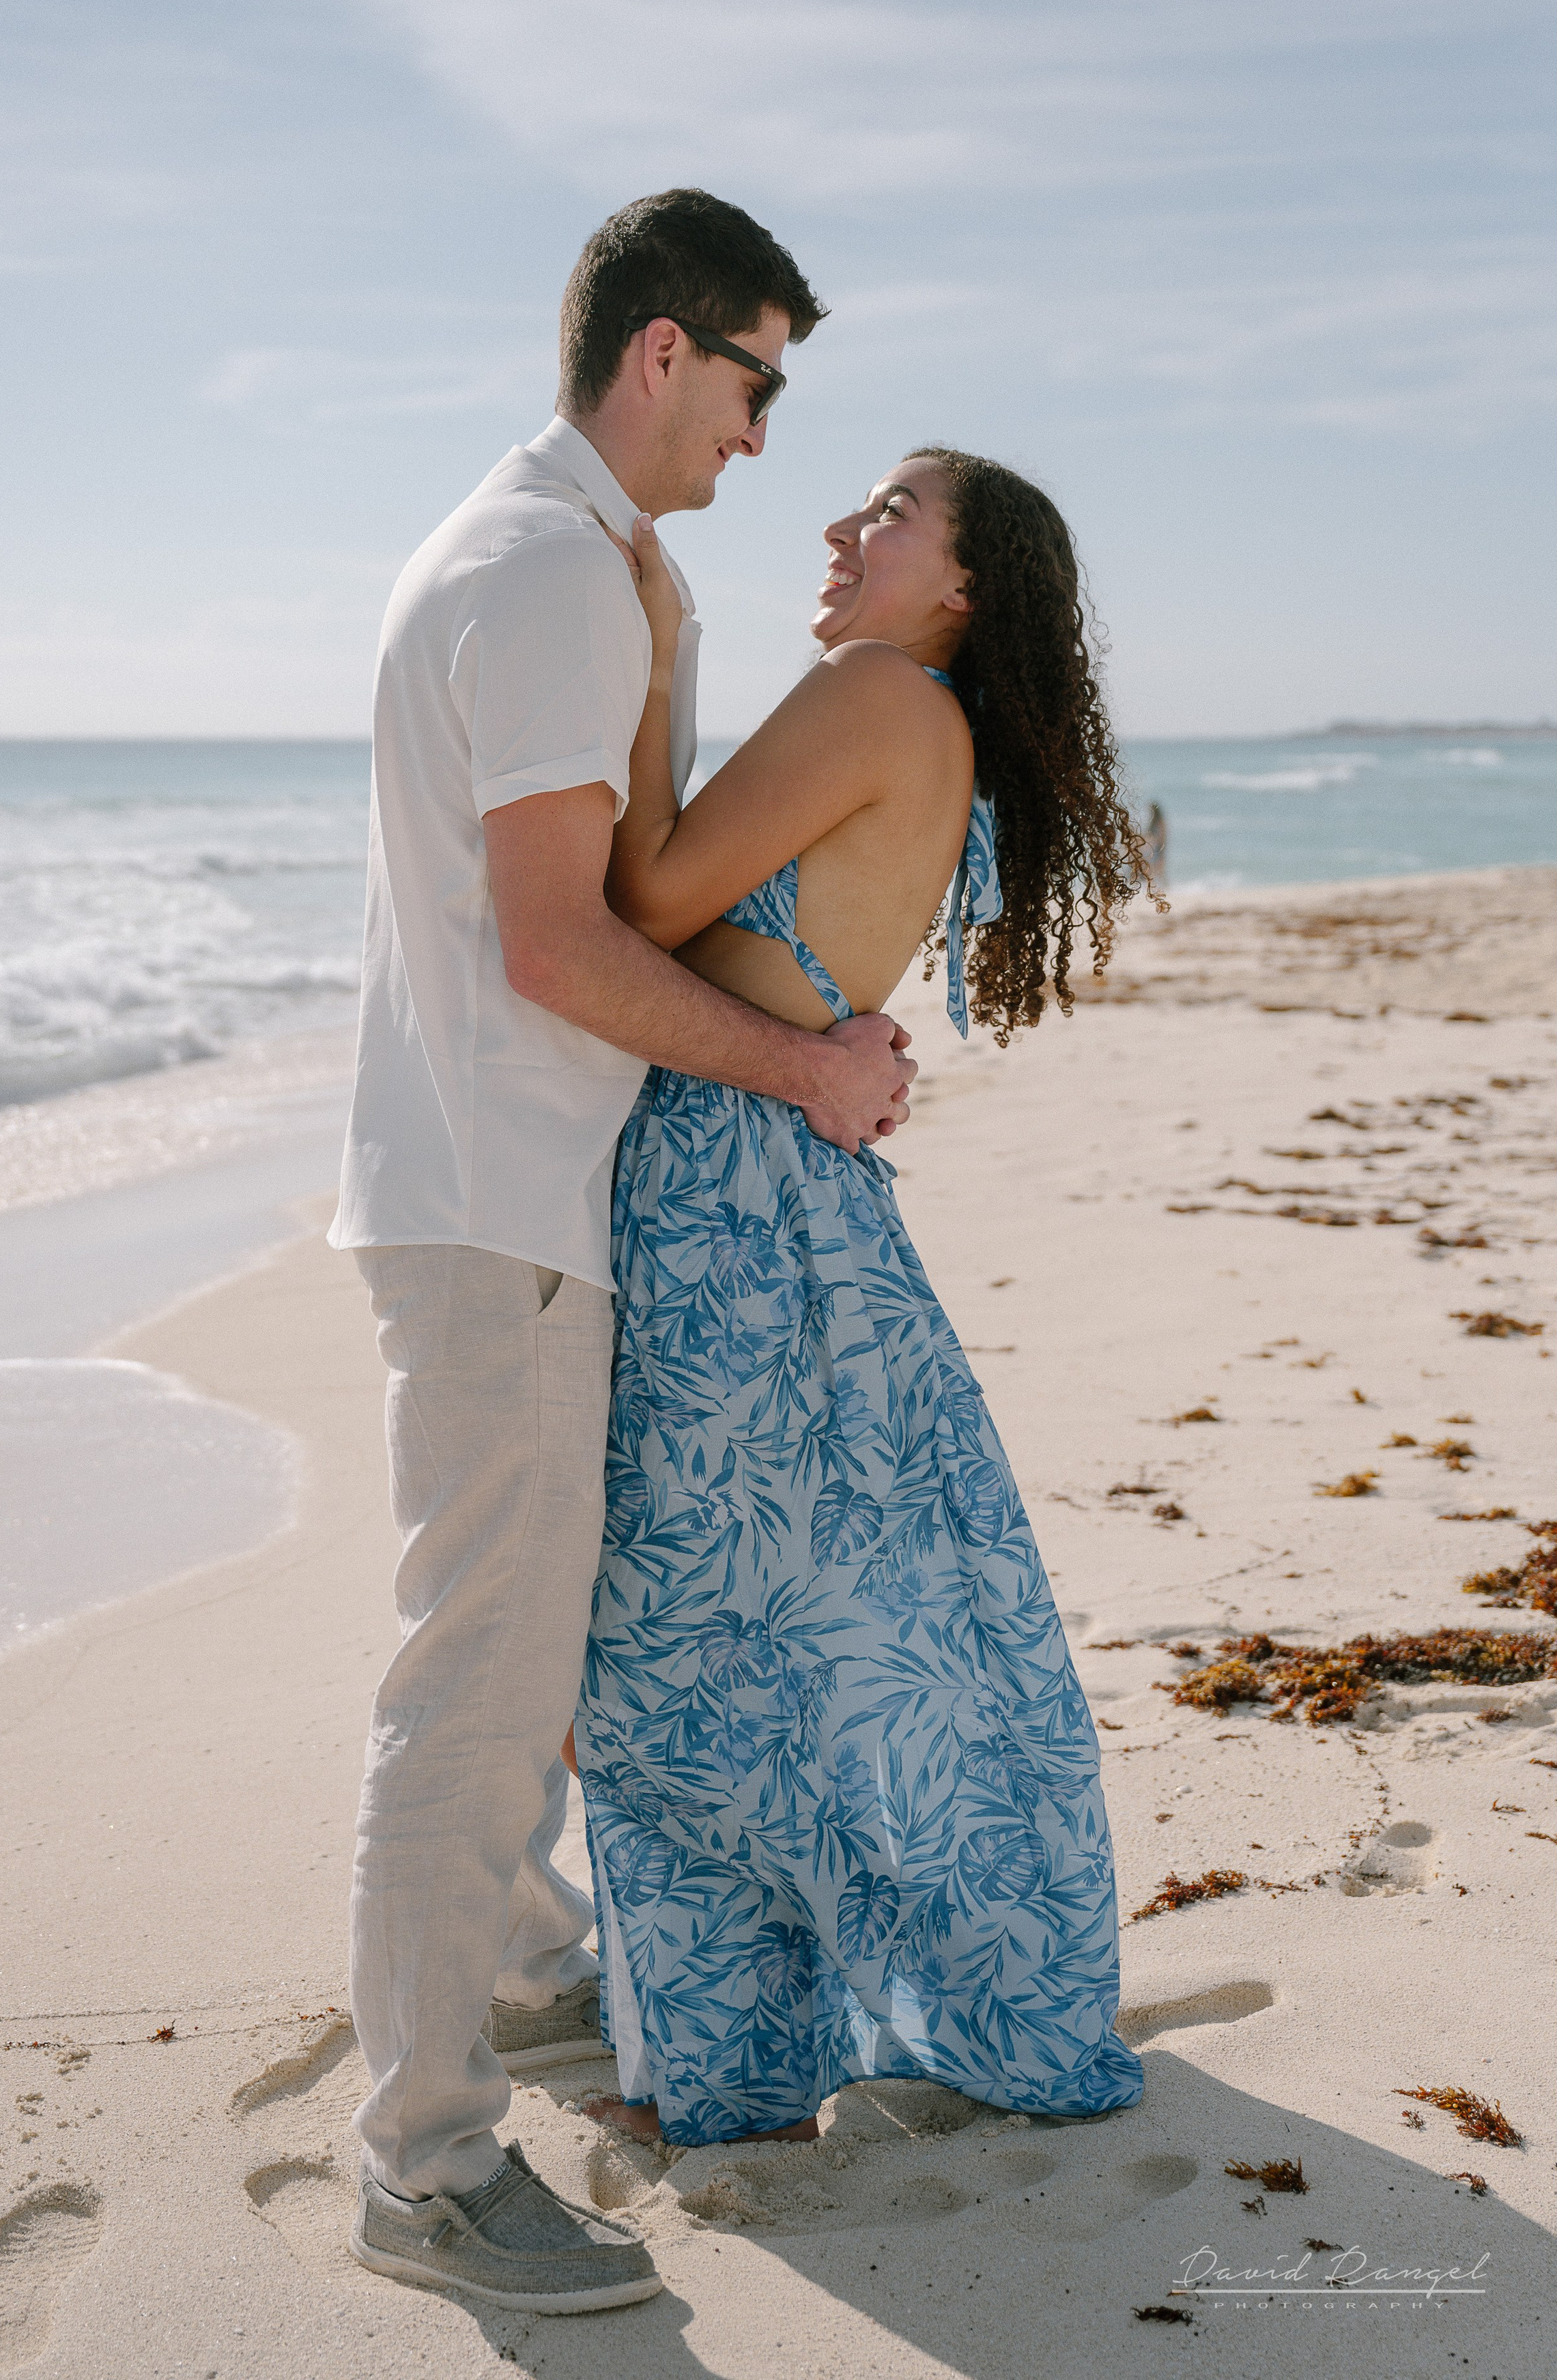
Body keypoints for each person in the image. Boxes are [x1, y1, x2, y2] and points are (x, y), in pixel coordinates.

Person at [330, 190, 916, 2314]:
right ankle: (416, 2158)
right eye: (760, 380)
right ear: (664, 352)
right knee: (479, 1684)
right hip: (495, 1206)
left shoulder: (557, 561)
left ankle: (534, 1978)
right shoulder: (552, 575)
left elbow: (613, 892)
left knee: (514, 1651)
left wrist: (666, 662)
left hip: (488, 1191)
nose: (769, 436)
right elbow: (564, 941)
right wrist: (810, 1079)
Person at [572, 450, 1152, 2149]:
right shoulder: (927, 719)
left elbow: (648, 900)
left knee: (684, 1641)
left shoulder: (872, 689)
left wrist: (656, 665)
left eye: (889, 513)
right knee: (827, 1622)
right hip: (791, 1188)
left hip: (720, 1187)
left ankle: (738, 2050)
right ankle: (840, 2006)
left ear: (959, 587)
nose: (841, 527)